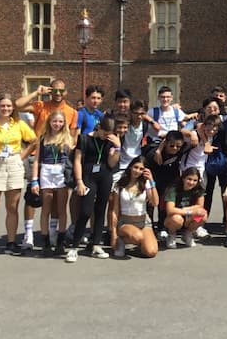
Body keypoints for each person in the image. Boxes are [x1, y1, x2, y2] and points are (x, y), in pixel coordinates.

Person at [15, 79, 78, 251]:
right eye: (54, 90)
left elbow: (73, 138)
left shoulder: (71, 112)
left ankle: (53, 233)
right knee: (33, 197)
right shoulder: (41, 105)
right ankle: (29, 233)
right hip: (38, 155)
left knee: (57, 202)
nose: (57, 94)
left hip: (60, 162)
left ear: (65, 92)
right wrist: (36, 92)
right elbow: (17, 106)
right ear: (50, 91)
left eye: (61, 91)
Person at [0, 94, 37, 259]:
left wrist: (21, 156)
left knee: (12, 208)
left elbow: (34, 140)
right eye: (3, 106)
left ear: (13, 108)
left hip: (14, 164)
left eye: (9, 106)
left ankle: (11, 242)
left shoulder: (18, 124)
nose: (6, 109)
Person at [67, 114, 122, 263]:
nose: (106, 136)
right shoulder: (85, 139)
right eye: (104, 133)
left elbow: (111, 163)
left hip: (105, 176)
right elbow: (77, 161)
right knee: (85, 211)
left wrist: (117, 148)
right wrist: (79, 181)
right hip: (88, 176)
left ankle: (96, 244)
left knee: (100, 210)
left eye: (109, 134)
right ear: (98, 127)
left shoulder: (111, 141)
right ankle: (74, 246)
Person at [31, 109, 74, 254]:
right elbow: (36, 160)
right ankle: (46, 242)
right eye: (55, 121)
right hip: (47, 171)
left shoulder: (68, 138)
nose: (57, 124)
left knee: (62, 209)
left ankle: (60, 242)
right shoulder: (43, 138)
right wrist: (34, 180)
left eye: (60, 121)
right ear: (49, 122)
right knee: (46, 209)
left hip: (61, 171)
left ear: (64, 123)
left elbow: (73, 158)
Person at [108, 159, 159, 259]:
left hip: (143, 222)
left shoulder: (146, 184)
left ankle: (140, 243)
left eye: (141, 169)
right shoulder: (120, 185)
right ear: (130, 167)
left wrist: (151, 181)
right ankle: (121, 240)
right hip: (125, 222)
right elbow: (115, 210)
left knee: (151, 252)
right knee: (138, 236)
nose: (137, 171)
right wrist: (113, 233)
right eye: (135, 167)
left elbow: (155, 202)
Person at [162, 167, 210, 249]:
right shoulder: (173, 189)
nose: (191, 182)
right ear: (183, 178)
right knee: (177, 219)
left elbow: (200, 206)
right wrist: (188, 212)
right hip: (172, 218)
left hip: (188, 216)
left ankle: (188, 233)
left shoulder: (199, 189)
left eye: (195, 180)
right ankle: (171, 235)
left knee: (203, 215)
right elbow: (170, 210)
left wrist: (189, 212)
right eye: (189, 179)